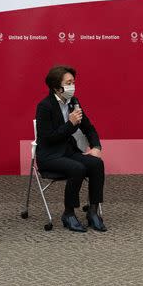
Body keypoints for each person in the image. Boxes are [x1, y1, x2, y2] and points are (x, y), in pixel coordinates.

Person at [35, 65, 106, 233]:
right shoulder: (45, 106)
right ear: (56, 87)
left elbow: (89, 127)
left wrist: (96, 146)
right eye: (68, 83)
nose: (72, 86)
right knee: (78, 168)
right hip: (49, 156)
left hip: (68, 152)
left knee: (97, 164)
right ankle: (68, 213)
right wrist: (70, 124)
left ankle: (93, 211)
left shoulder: (74, 102)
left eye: (73, 82)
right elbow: (48, 138)